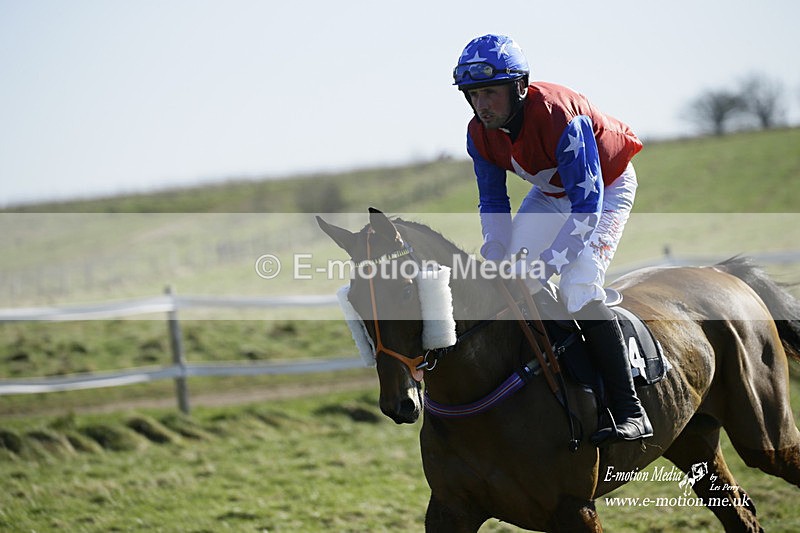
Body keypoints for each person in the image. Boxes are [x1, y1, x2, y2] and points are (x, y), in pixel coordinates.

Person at [453, 33, 652, 446]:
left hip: (604, 189)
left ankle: (630, 409)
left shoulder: (559, 116)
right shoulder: (478, 134)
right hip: (551, 192)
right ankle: (566, 378)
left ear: (519, 87)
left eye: (490, 92)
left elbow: (587, 205)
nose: (481, 104)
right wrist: (495, 252)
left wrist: (551, 263)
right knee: (516, 278)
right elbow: (493, 201)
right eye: (473, 95)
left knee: (577, 286)